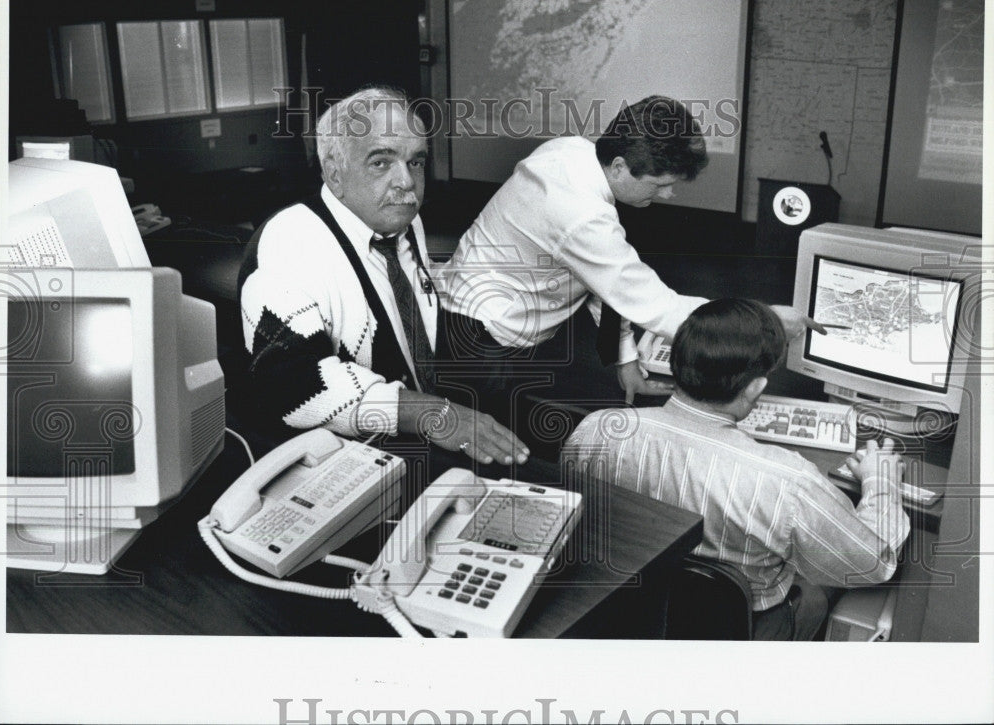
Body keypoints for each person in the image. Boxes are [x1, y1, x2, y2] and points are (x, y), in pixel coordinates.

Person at [563, 298, 910, 640]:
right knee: (817, 593)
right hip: (735, 631)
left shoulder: (597, 429)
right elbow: (871, 565)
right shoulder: (789, 482)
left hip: (626, 614)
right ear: (756, 387)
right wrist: (882, 484)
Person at [438, 95, 819, 404]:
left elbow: (599, 278)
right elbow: (663, 310)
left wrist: (626, 360)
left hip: (471, 315)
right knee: (490, 449)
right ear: (619, 166)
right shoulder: (583, 216)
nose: (668, 195)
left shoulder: (570, 150)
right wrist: (763, 319)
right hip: (483, 344)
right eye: (659, 184)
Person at [238, 86, 528, 466]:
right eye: (381, 162)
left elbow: (408, 307)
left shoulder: (401, 220)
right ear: (334, 173)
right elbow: (290, 385)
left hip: (423, 426)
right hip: (350, 458)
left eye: (416, 162)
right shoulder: (288, 244)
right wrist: (429, 413)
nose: (406, 182)